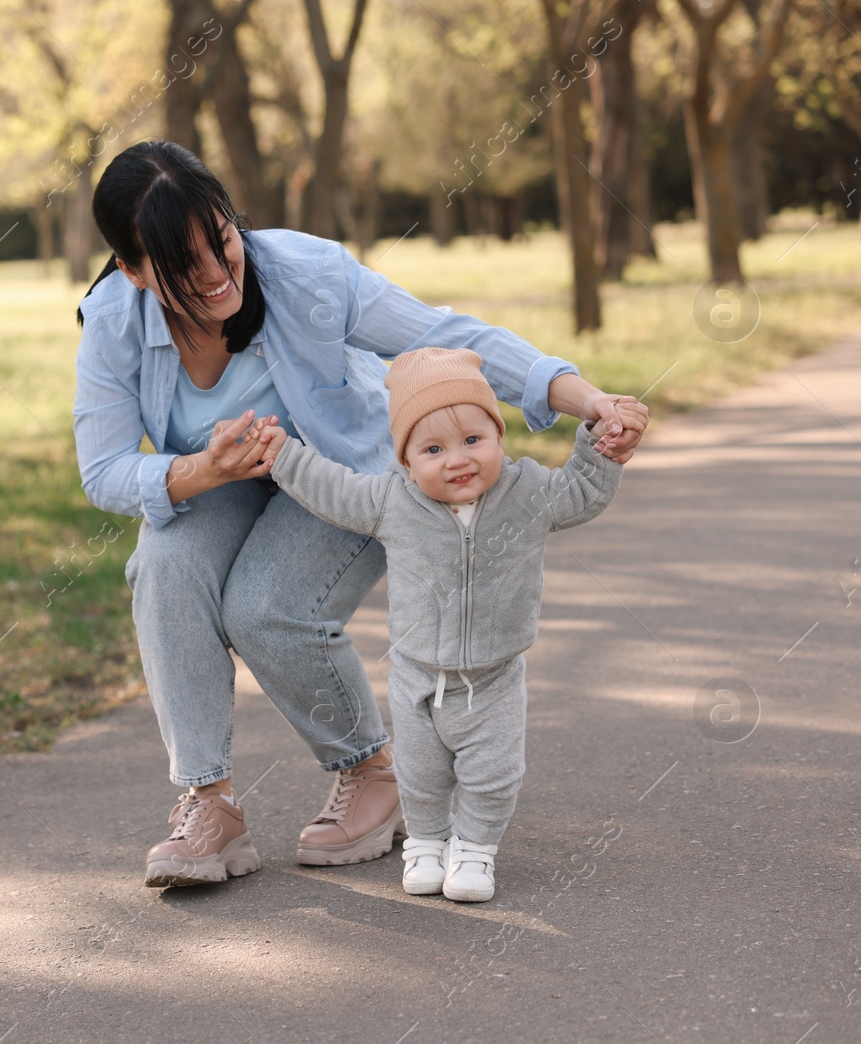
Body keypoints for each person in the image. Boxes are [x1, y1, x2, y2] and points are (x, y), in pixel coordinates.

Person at [71, 140, 647, 889]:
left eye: (222, 242)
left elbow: (448, 338)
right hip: (222, 476)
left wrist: (584, 398)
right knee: (163, 562)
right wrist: (198, 470)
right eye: (185, 267)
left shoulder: (306, 273)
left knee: (266, 607)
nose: (218, 277)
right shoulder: (113, 321)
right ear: (135, 271)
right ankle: (208, 803)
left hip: (346, 468)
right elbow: (103, 468)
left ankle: (373, 773)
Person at [258, 347, 633, 901]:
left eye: (474, 441)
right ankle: (426, 845)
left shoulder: (526, 492)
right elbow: (332, 488)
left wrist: (601, 443)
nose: (457, 459)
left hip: (495, 675)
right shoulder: (392, 500)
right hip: (418, 678)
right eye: (433, 449)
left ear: (499, 440)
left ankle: (476, 852)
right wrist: (281, 454)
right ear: (406, 460)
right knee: (421, 776)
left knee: (493, 774)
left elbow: (581, 491)